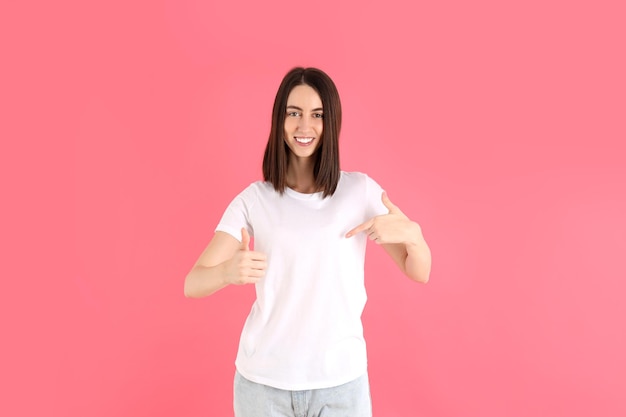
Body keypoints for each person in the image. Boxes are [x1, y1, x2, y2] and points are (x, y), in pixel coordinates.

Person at [184, 67, 431, 417]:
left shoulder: (359, 192)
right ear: (279, 120)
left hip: (341, 386)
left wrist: (414, 236)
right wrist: (227, 271)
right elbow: (193, 283)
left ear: (332, 123)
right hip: (263, 388)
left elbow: (419, 270)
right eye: (294, 113)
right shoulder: (255, 199)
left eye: (317, 115)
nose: (304, 126)